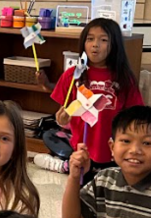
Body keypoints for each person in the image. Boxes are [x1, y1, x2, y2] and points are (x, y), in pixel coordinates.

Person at [35, 18, 143, 176]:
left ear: (115, 45)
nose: (95, 44)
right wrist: (62, 119)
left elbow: (135, 115)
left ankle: (64, 163)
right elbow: (64, 113)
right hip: (81, 147)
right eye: (90, 39)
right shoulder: (73, 75)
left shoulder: (124, 78)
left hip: (113, 150)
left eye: (104, 40)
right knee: (80, 188)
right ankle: (66, 163)